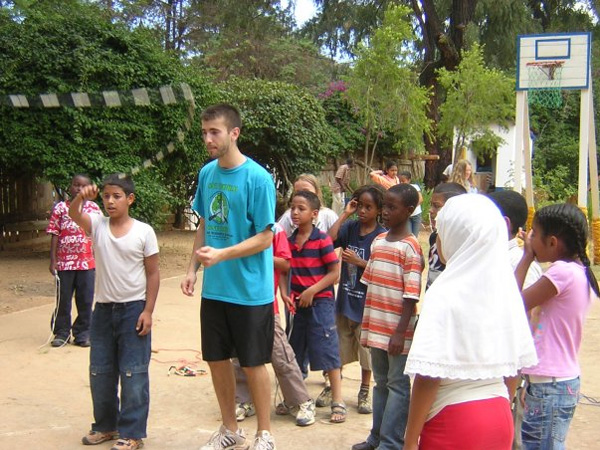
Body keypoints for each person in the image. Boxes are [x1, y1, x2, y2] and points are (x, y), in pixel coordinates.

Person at [403, 194, 537, 450]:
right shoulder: (505, 288)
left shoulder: (444, 292)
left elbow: (429, 375)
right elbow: (514, 366)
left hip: (454, 421)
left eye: (440, 232)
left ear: (457, 237)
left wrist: (410, 441)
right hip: (499, 414)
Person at [180, 104, 277, 450]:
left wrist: (222, 254)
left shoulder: (258, 179)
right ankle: (230, 428)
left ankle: (264, 434)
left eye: (214, 132)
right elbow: (205, 223)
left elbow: (266, 236)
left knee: (253, 363)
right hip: (216, 290)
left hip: (251, 291)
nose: (207, 138)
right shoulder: (207, 174)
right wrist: (192, 268)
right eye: (204, 132)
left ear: (234, 133)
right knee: (216, 359)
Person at [69, 174, 160, 450]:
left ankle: (132, 433)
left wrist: (148, 311)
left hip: (134, 309)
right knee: (100, 371)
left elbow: (153, 273)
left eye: (116, 196)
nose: (110, 201)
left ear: (130, 199)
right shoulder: (97, 224)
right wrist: (82, 197)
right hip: (104, 311)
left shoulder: (144, 232)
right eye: (106, 196)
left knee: (133, 373)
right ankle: (106, 426)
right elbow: (74, 214)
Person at [515, 203, 599, 450]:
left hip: (551, 384)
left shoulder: (561, 273)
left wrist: (526, 257)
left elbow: (513, 303)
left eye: (534, 234)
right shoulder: (576, 271)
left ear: (552, 242)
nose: (530, 239)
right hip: (552, 381)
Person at [352, 183, 424, 450]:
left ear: (409, 210)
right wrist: (367, 326)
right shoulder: (379, 242)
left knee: (397, 385)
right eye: (385, 206)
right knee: (381, 383)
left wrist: (400, 332)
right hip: (377, 326)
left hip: (397, 331)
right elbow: (372, 285)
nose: (385, 212)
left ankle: (391, 442)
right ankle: (376, 437)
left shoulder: (411, 248)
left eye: (392, 207)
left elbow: (411, 296)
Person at [233, 222, 316, 427]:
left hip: (264, 303)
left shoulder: (275, 229)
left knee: (280, 355)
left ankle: (301, 401)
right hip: (237, 300)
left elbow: (286, 263)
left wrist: (256, 252)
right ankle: (244, 401)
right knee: (238, 356)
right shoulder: (236, 225)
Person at [283, 190, 345, 423]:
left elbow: (334, 273)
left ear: (314, 214)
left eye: (301, 208)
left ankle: (337, 400)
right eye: (293, 208)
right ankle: (296, 399)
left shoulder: (322, 240)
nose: (295, 212)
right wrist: (285, 292)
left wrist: (312, 290)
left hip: (321, 303)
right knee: (295, 349)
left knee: (327, 348)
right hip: (297, 305)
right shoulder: (289, 242)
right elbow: (284, 270)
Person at [488, 189, 543, 450]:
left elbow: (527, 320)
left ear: (504, 223)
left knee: (510, 436)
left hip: (505, 368)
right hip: (487, 363)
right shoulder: (488, 257)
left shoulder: (521, 263)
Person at [327, 185, 386, 415]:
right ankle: (335, 388)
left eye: (368, 207)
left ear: (378, 210)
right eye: (359, 205)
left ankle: (364, 390)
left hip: (365, 306)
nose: (362, 210)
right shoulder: (350, 228)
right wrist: (345, 213)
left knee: (366, 353)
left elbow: (382, 270)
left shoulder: (381, 236)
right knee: (338, 348)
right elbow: (329, 239)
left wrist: (360, 262)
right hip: (345, 301)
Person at [46, 174, 101, 348]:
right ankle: (61, 333)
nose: (79, 189)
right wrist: (53, 260)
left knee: (85, 299)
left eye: (83, 186)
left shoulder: (94, 208)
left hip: (87, 263)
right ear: (70, 187)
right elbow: (55, 233)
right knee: (63, 299)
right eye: (76, 185)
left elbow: (99, 235)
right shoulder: (61, 208)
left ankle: (83, 333)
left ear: (89, 189)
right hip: (65, 264)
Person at [426, 182, 467, 289]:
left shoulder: (464, 242)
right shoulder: (434, 236)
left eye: (436, 206)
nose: (431, 210)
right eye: (431, 205)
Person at [399, 171, 424, 236]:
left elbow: (420, 199)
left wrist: (412, 208)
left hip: (416, 214)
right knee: (408, 235)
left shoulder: (414, 187)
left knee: (415, 235)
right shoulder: (400, 190)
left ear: (409, 180)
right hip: (407, 216)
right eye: (400, 181)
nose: (401, 183)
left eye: (403, 181)